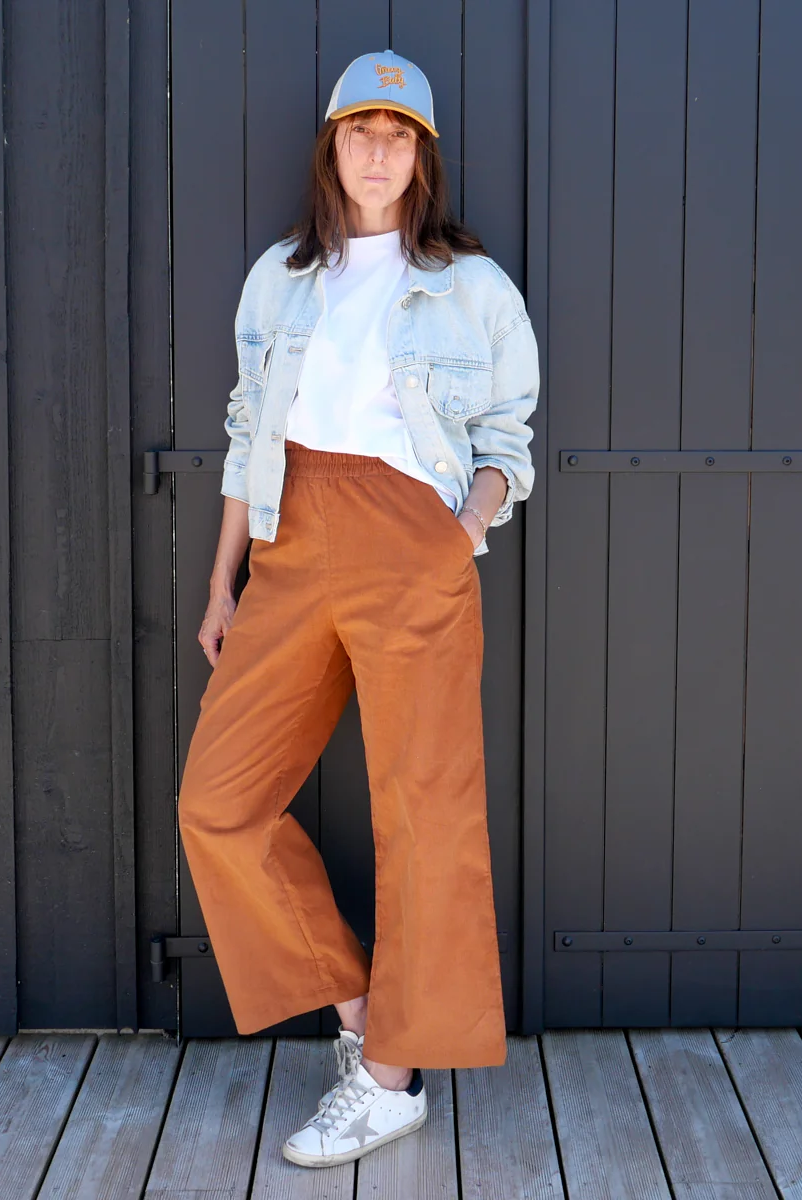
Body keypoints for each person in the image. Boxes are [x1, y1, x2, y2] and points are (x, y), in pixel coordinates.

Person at [175, 49, 539, 1169]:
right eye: (359, 133)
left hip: (410, 543)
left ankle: (391, 1082)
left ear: (422, 158)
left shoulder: (473, 288)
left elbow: (508, 440)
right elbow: (248, 431)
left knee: (425, 812)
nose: (377, 153)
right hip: (288, 539)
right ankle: (360, 1010)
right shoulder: (281, 279)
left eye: (398, 136)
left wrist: (459, 532)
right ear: (330, 148)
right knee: (219, 804)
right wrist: (223, 580)